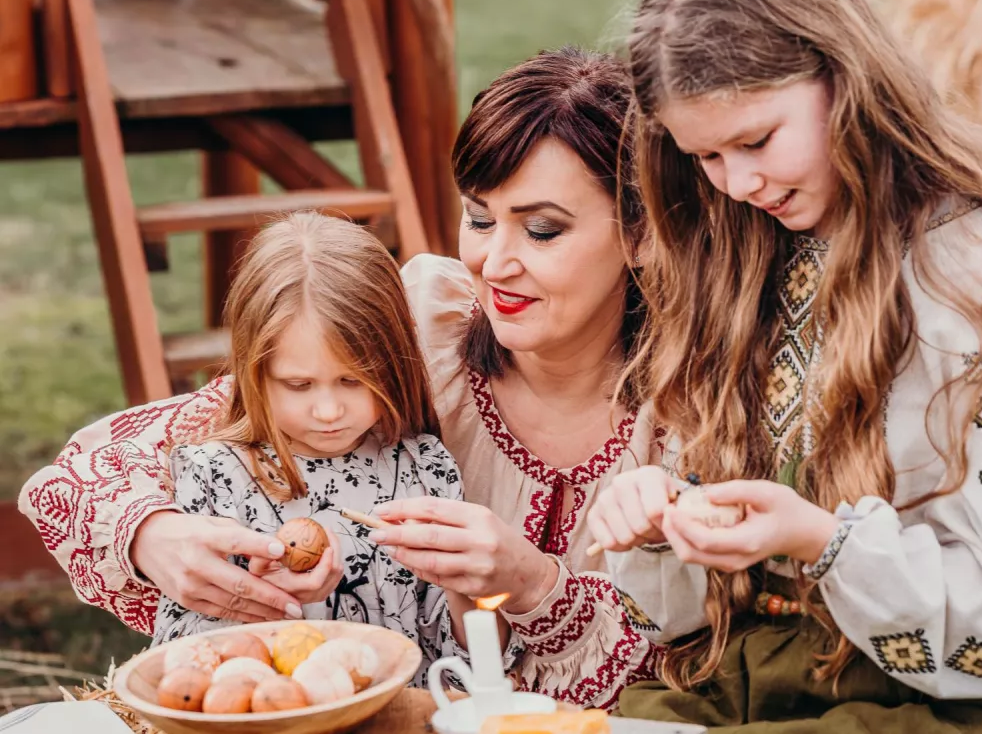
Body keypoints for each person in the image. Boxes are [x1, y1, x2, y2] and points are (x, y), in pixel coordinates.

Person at [586, 0, 982, 731]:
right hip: (772, 671)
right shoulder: (743, 256)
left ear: (842, 76)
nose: (738, 182)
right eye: (705, 156)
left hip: (960, 696)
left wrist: (824, 541)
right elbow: (686, 614)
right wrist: (666, 514)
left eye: (756, 139)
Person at [20, 47, 660, 709]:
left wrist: (533, 584)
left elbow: (694, 670)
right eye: (479, 218)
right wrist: (153, 534)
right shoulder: (415, 334)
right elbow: (80, 481)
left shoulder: (699, 413)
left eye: (543, 229)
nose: (493, 262)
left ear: (641, 231)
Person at [148, 213, 469, 685]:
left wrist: (472, 583)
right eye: (298, 384)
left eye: (352, 380)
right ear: (253, 372)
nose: (327, 410)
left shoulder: (425, 469)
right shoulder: (217, 476)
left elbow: (455, 651)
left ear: (394, 362)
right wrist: (261, 602)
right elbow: (182, 663)